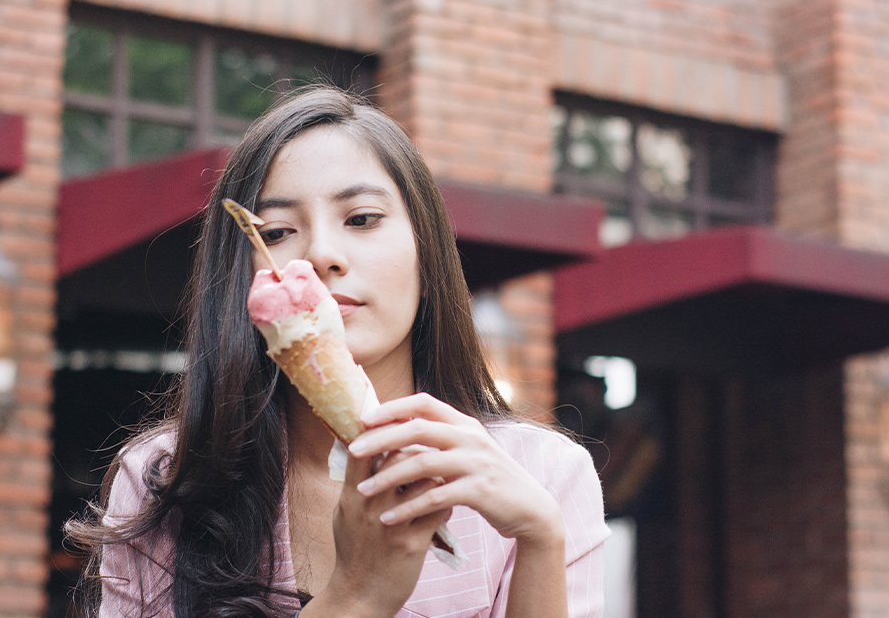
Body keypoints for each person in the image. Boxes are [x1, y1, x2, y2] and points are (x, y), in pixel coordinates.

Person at [68, 85, 610, 618]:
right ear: (239, 279)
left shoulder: (545, 476)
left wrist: (540, 538)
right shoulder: (166, 480)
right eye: (277, 231)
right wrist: (358, 596)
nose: (322, 254)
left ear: (428, 251)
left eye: (362, 219)